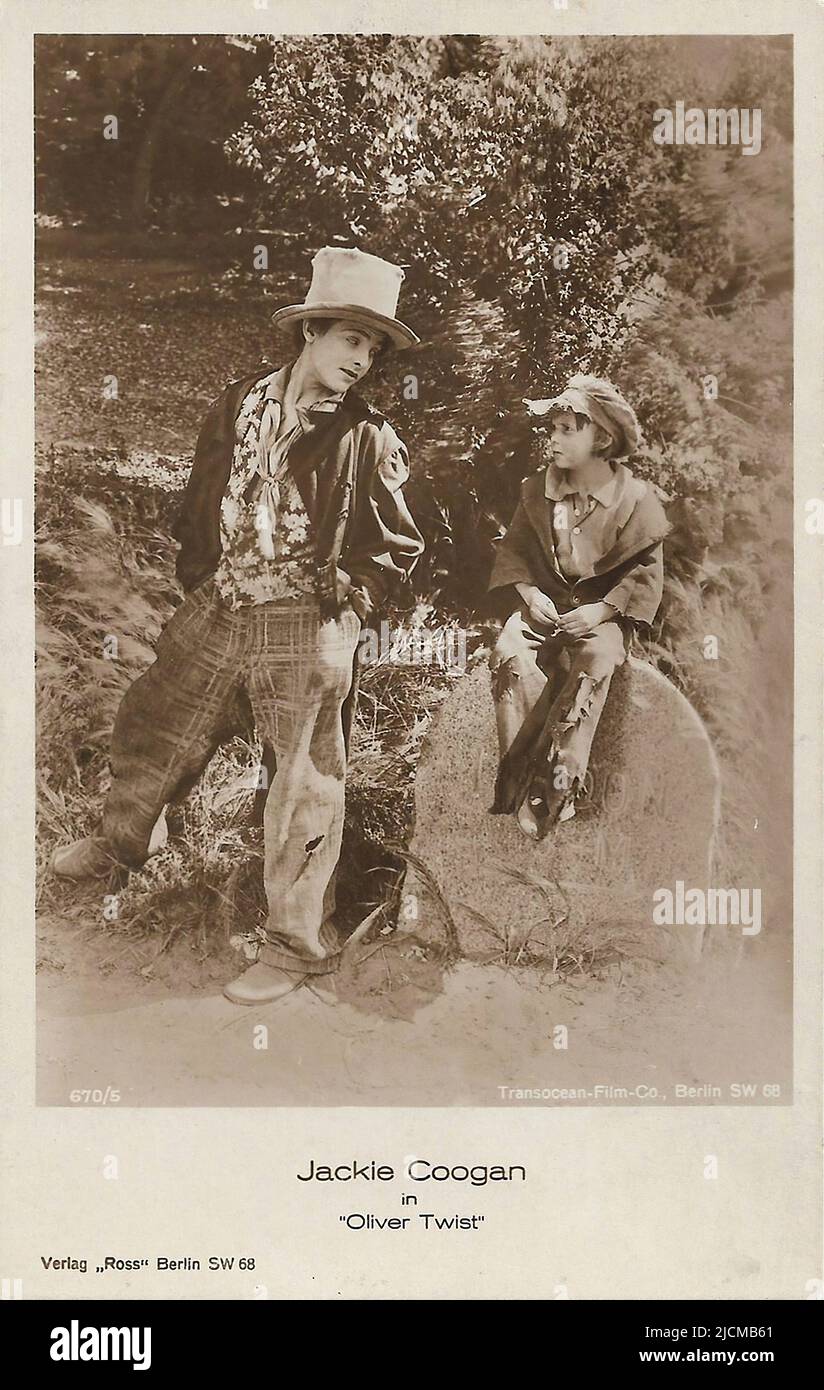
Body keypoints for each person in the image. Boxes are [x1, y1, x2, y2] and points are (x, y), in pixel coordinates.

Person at [50, 246, 425, 1005]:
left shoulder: (366, 436)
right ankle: (121, 844)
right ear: (312, 330)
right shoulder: (240, 403)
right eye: (352, 338)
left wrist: (347, 603)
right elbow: (202, 493)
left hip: (304, 619)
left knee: (303, 780)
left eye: (374, 347)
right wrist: (202, 579)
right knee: (156, 719)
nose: (363, 359)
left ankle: (293, 945)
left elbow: (399, 545)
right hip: (223, 599)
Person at [486, 374, 669, 838]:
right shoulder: (538, 490)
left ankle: (552, 791)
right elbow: (515, 551)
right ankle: (514, 777)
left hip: (597, 611)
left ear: (602, 438)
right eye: (553, 429)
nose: (554, 439)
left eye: (568, 429)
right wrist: (530, 595)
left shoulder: (635, 501)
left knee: (596, 658)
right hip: (545, 603)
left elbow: (644, 572)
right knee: (510, 650)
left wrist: (602, 611)